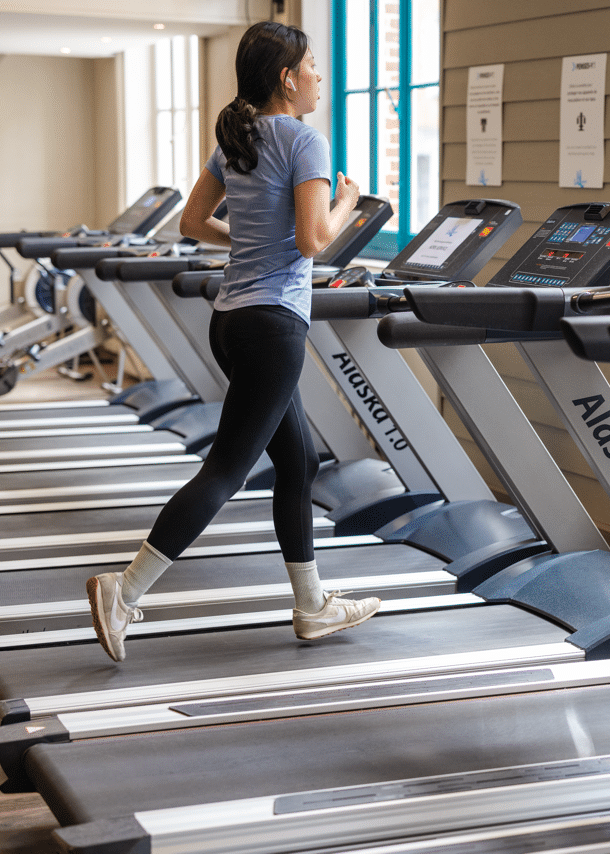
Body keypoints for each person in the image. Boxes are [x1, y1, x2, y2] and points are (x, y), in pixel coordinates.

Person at [87, 20, 379, 662]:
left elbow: (193, 223)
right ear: (287, 77)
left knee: (298, 464)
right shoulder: (305, 141)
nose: (319, 78)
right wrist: (349, 203)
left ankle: (311, 607)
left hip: (231, 320)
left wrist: (248, 241)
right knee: (226, 469)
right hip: (274, 323)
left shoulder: (237, 140)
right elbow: (312, 240)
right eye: (312, 67)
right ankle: (124, 591)